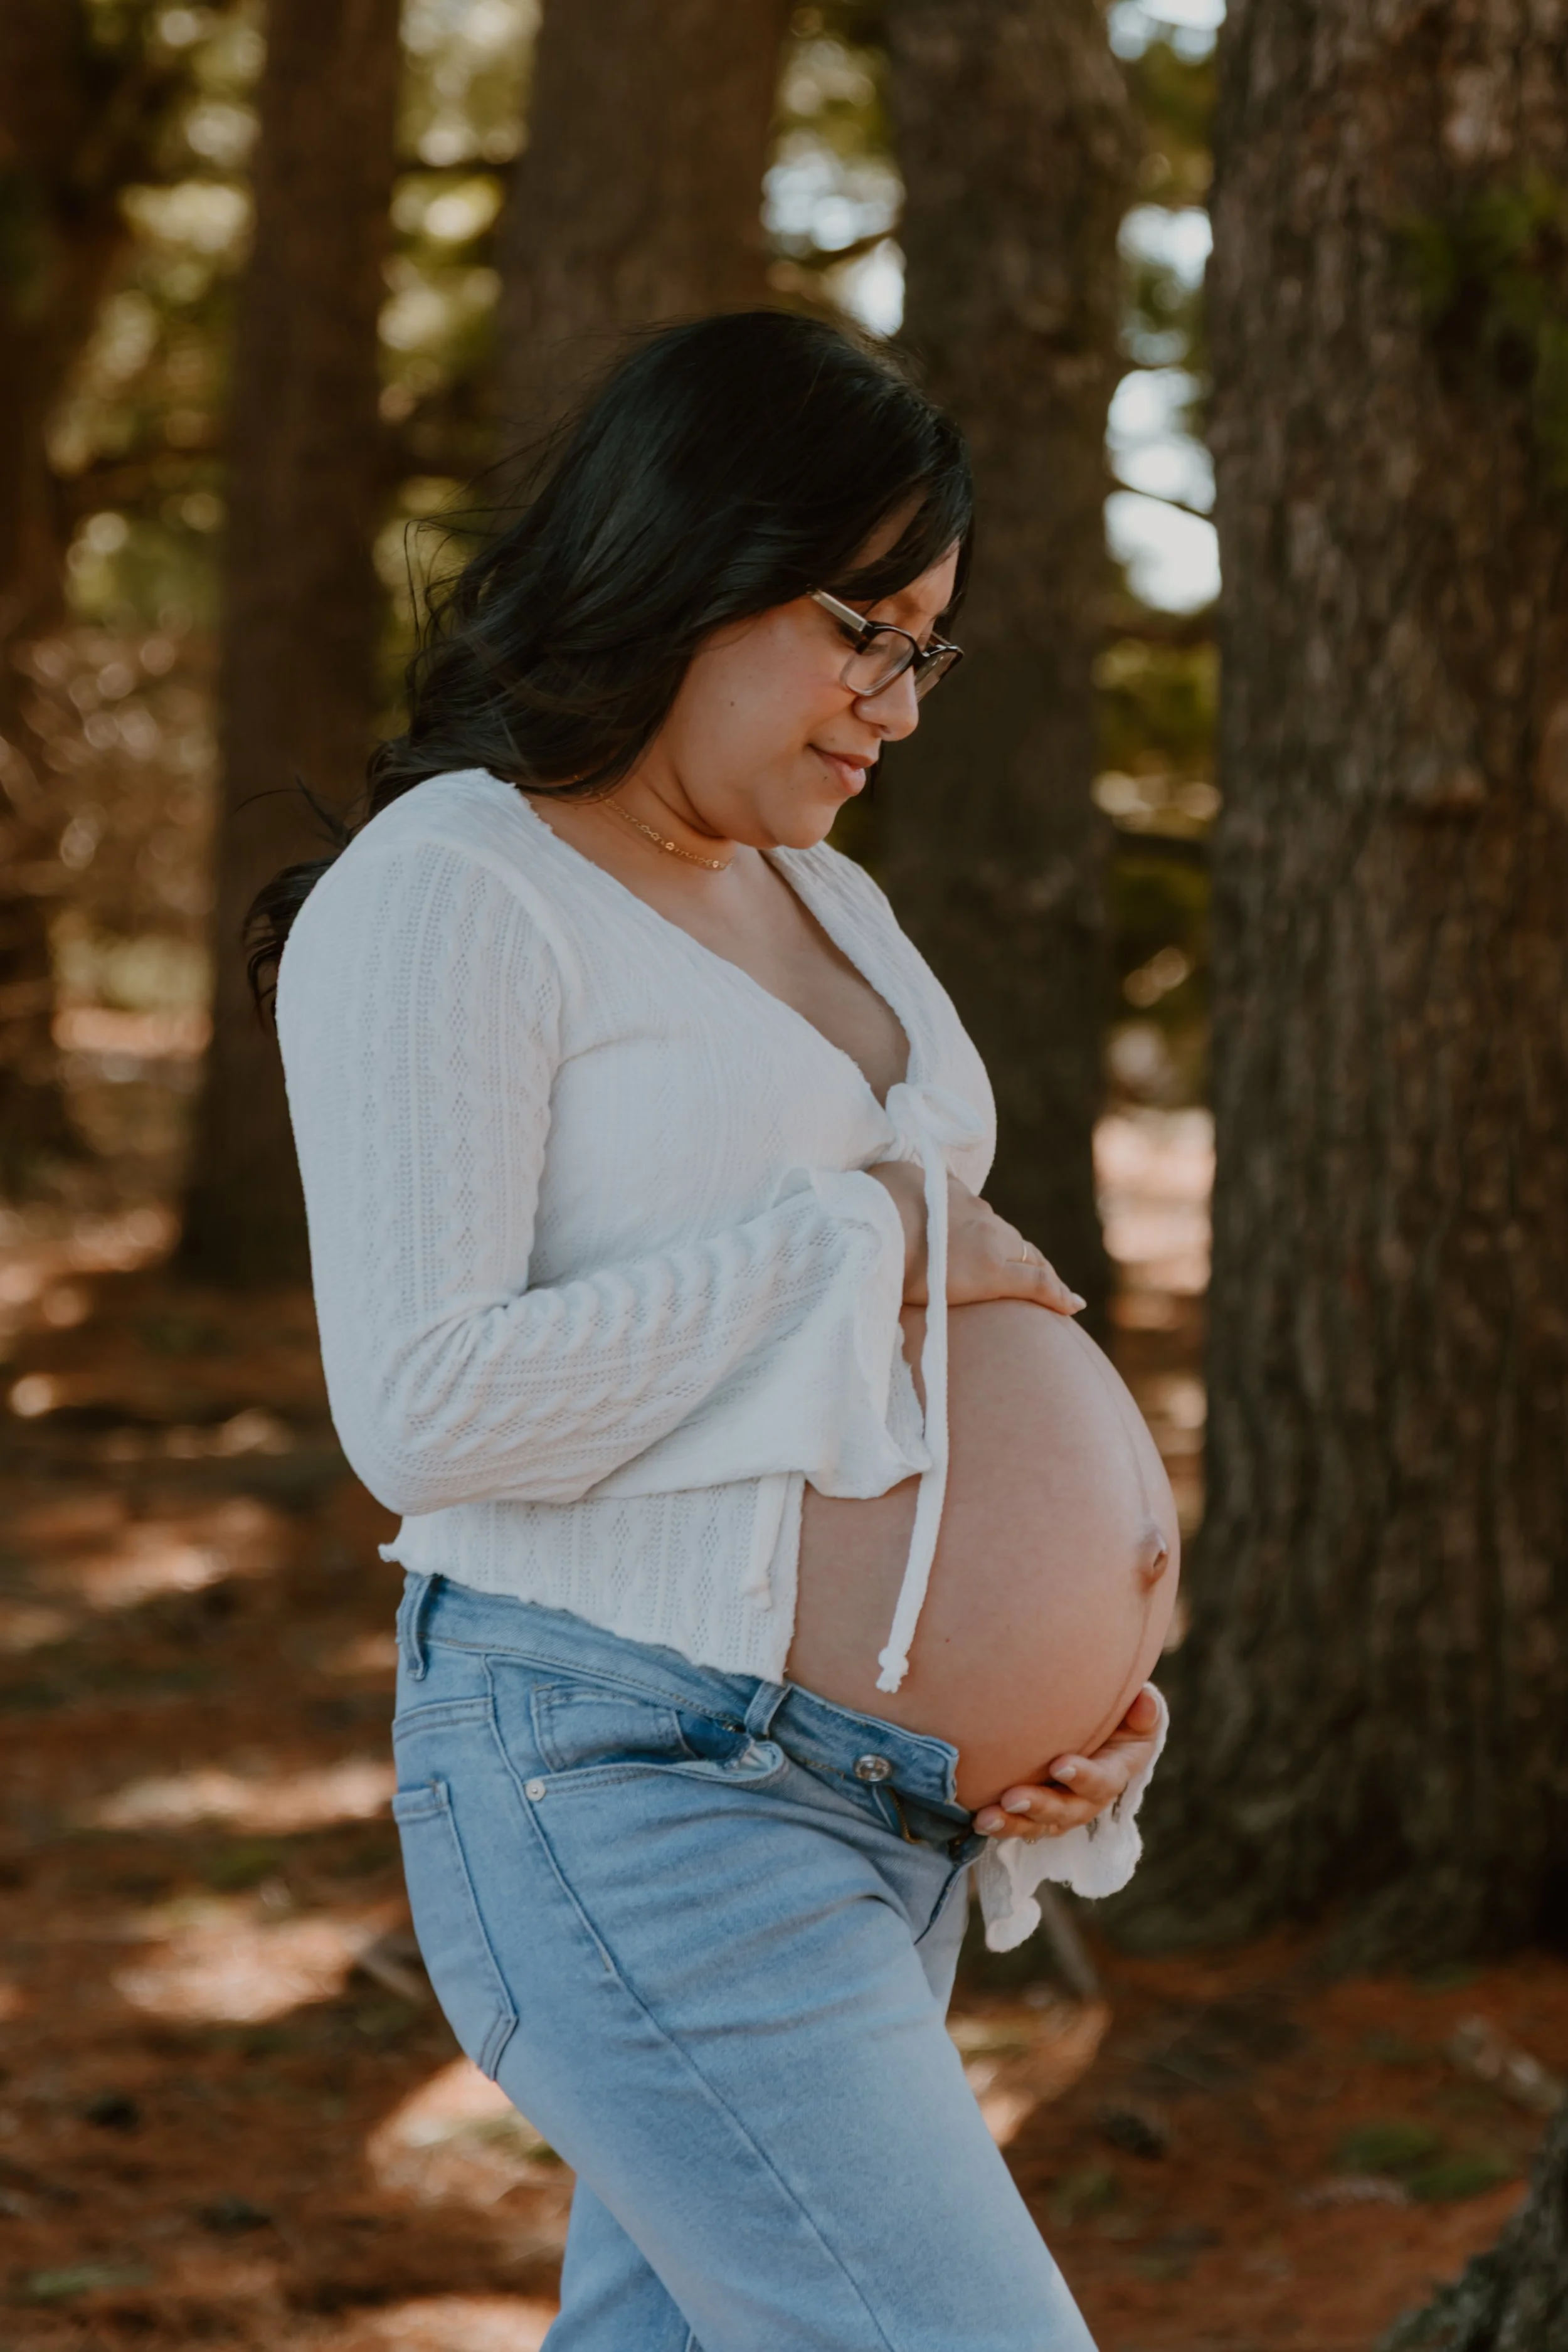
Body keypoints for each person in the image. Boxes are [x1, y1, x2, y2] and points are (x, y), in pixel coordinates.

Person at [258, 311, 1173, 2352]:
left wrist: (1059, 1705)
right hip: (637, 1780)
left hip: (883, 1803)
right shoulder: (453, 889)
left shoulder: (827, 897)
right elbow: (424, 1407)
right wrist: (855, 1236)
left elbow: (909, 1333)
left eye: (927, 650)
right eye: (870, 629)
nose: (898, 703)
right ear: (699, 549)